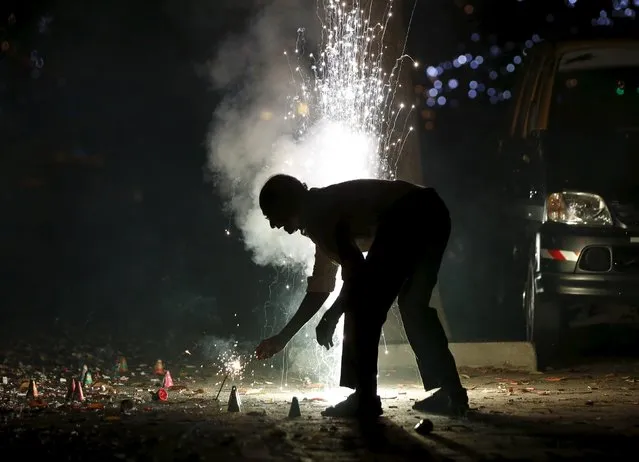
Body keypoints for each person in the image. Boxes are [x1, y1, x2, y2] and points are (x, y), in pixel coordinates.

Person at [254, 174, 469, 418]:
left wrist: (333, 315)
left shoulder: (321, 215)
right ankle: (452, 394)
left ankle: (364, 398)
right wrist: (282, 338)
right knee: (413, 305)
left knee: (365, 306)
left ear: (286, 204)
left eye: (271, 214)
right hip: (433, 212)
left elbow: (356, 274)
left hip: (409, 213)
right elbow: (320, 290)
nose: (273, 225)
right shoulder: (320, 215)